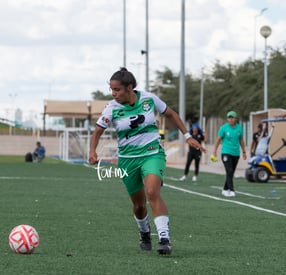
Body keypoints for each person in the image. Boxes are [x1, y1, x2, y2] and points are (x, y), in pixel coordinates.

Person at [88, 67, 206, 255]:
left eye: (117, 89)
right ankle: (144, 233)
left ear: (129, 87)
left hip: (152, 153)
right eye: (111, 89)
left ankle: (164, 239)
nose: (113, 94)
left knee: (152, 192)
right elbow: (97, 132)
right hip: (127, 160)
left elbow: (171, 114)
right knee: (139, 204)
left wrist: (187, 136)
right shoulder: (111, 108)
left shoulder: (149, 99)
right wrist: (92, 152)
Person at [211, 111, 247, 197]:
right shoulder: (223, 128)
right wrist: (214, 151)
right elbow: (218, 140)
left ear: (235, 118)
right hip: (226, 152)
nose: (230, 119)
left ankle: (225, 189)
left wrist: (244, 152)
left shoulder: (239, 128)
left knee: (231, 172)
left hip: (236, 153)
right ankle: (231, 190)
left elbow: (241, 140)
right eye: (229, 117)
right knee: (229, 170)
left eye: (232, 117)